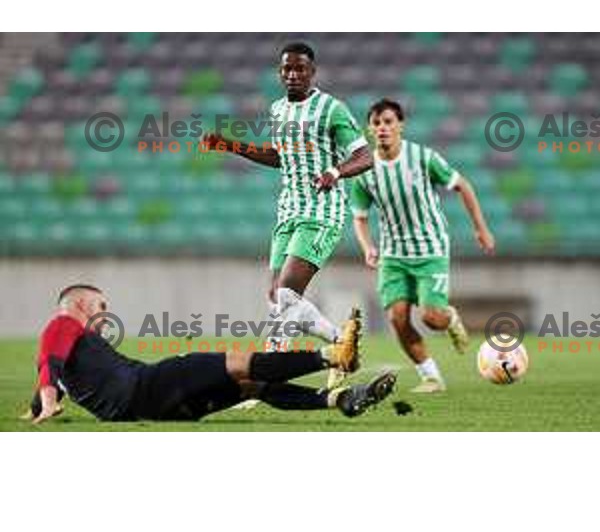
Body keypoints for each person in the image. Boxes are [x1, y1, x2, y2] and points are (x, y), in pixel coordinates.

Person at [203, 41, 373, 387]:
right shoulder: (278, 109)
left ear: (312, 72)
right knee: (277, 301)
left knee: (286, 296)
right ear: (280, 73)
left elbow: (366, 156)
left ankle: (267, 378)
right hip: (288, 211)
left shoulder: (331, 109)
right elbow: (279, 156)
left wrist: (336, 172)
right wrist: (231, 145)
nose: (293, 74)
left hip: (322, 210)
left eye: (300, 69)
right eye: (287, 69)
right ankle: (340, 341)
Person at [22, 284, 396, 424]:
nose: (104, 313)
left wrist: (39, 407)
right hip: (148, 384)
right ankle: (332, 355)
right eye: (100, 304)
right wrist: (49, 400)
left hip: (154, 411)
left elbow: (49, 375)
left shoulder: (65, 357)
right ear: (82, 303)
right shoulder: (62, 324)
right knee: (238, 361)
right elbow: (49, 366)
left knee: (252, 386)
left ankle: (342, 399)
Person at [351, 99, 495, 393]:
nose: (382, 128)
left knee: (432, 318)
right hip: (393, 254)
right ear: (369, 129)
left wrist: (480, 228)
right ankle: (431, 376)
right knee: (397, 318)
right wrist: (368, 246)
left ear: (400, 125)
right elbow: (360, 217)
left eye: (388, 122)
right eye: (377, 123)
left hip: (430, 249)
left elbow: (462, 185)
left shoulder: (422, 157)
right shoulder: (364, 170)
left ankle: (450, 318)